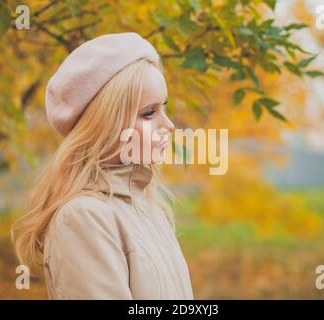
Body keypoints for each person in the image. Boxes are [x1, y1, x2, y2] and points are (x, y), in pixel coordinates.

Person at [11, 32, 194, 299]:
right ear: (105, 125)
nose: (169, 125)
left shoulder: (147, 206)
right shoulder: (83, 218)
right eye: (149, 113)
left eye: (164, 108)